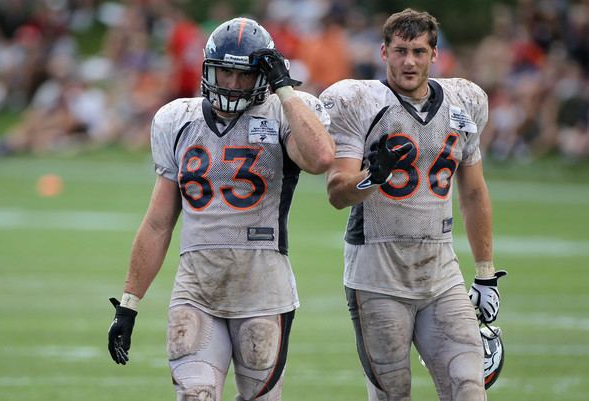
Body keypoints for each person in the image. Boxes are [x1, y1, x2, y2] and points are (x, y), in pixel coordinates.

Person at [107, 17, 334, 401]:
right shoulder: (177, 119)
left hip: (264, 289)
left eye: (242, 75)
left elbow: (321, 158)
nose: (230, 84)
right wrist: (129, 303)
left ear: (263, 76)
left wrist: (285, 90)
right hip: (197, 287)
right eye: (223, 72)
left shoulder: (283, 112)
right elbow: (159, 222)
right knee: (194, 395)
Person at [319, 8, 507, 401]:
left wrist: (485, 272)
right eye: (401, 50)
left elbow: (473, 192)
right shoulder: (359, 102)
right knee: (392, 394)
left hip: (441, 271)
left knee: (469, 389)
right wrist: (372, 176)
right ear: (383, 51)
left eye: (419, 51)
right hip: (376, 274)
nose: (409, 61)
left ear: (434, 54)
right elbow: (337, 191)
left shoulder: (464, 102)